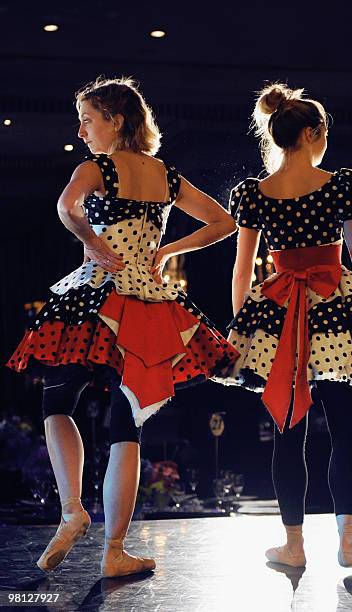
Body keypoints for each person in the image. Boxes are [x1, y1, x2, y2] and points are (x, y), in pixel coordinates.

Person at [7, 77, 239, 577]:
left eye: (88, 119)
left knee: (56, 403)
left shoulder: (97, 167)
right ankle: (114, 551)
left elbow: (65, 207)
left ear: (116, 119)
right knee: (126, 423)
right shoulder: (165, 176)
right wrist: (168, 250)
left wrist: (89, 240)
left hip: (95, 294)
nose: (82, 129)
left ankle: (72, 508)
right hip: (147, 302)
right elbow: (224, 223)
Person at [213, 83, 352, 568]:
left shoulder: (255, 194)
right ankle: (348, 543)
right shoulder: (339, 185)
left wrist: (244, 329)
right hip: (336, 308)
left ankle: (294, 546)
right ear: (314, 132)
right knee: (346, 433)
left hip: (278, 314)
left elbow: (242, 269)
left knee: (287, 431)